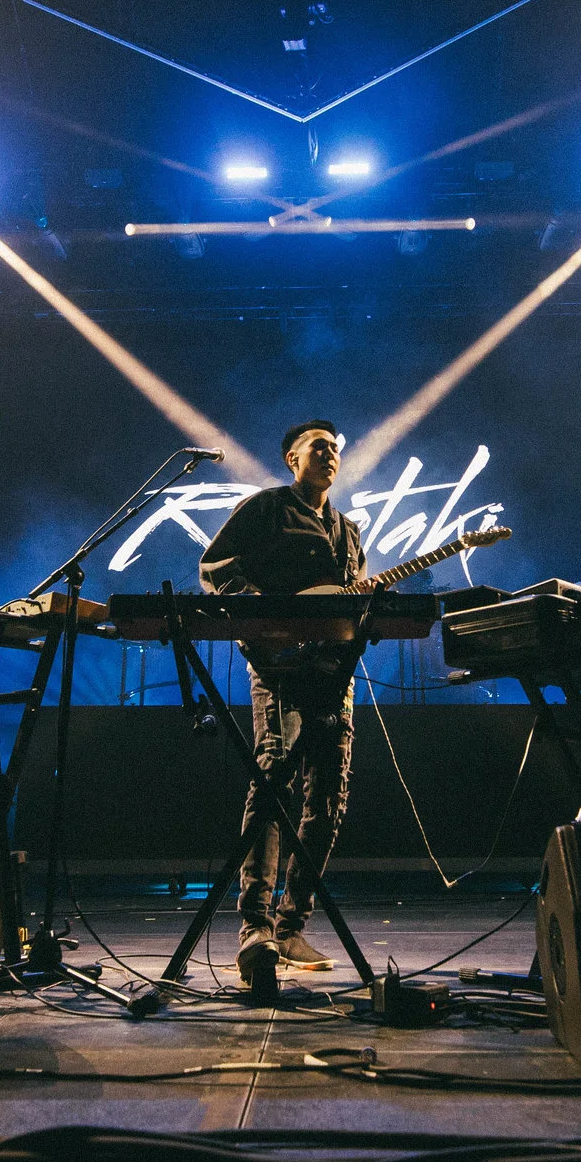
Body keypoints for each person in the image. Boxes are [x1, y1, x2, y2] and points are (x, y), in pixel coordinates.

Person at [198, 418, 363, 993]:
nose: (330, 454)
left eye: (335, 448)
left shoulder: (348, 531)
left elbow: (349, 601)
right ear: (293, 458)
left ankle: (292, 926)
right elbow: (216, 566)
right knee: (273, 780)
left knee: (329, 798)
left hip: (334, 676)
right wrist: (264, 615)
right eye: (318, 447)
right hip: (279, 669)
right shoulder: (266, 509)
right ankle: (256, 927)